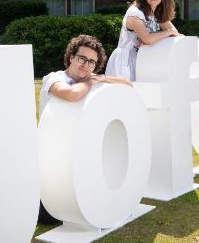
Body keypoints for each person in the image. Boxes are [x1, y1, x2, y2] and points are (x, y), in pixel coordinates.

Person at [38, 34, 131, 224]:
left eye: (91, 62)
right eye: (82, 58)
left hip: (79, 150)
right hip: (52, 156)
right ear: (71, 56)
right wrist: (89, 82)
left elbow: (127, 84)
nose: (86, 65)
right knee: (50, 217)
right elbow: (71, 95)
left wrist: (102, 78)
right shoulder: (55, 78)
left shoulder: (90, 77)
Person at [105, 0, 183, 81]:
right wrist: (167, 33)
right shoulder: (135, 13)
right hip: (125, 62)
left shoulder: (156, 13)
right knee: (126, 96)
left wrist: (167, 33)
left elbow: (175, 33)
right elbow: (148, 39)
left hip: (143, 60)